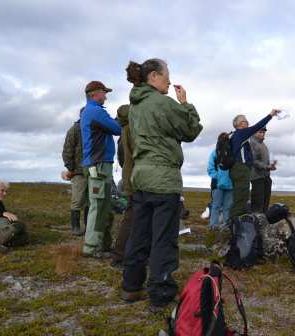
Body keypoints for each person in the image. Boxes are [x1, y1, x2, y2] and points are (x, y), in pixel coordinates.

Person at [120, 59, 202, 311]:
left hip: (141, 177)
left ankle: (131, 287)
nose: (169, 80)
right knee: (164, 240)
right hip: (164, 180)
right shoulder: (162, 103)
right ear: (154, 76)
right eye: (167, 76)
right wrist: (185, 103)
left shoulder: (135, 107)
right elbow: (191, 130)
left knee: (139, 234)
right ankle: (161, 294)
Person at [80, 81, 121, 258]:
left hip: (100, 165)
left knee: (102, 206)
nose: (106, 96)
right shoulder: (95, 111)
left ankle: (101, 245)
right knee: (98, 207)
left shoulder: (91, 111)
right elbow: (117, 128)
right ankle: (91, 248)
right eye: (104, 93)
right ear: (95, 93)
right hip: (99, 165)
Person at [229, 111, 279, 221]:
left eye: (247, 120)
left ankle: (236, 223)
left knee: (241, 198)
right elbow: (257, 126)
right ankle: (234, 225)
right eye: (244, 120)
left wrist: (267, 166)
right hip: (241, 170)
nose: (247, 122)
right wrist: (270, 115)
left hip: (240, 169)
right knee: (241, 199)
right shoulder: (241, 133)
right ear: (239, 124)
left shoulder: (237, 136)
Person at [110, 104, 136, 269]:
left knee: (133, 217)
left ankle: (123, 255)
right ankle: (119, 257)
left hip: (131, 177)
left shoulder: (124, 131)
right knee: (131, 217)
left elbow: (122, 159)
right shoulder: (132, 129)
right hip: (136, 180)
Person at [62, 108, 88, 236]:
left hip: (91, 171)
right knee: (77, 201)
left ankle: (88, 228)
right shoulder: (75, 130)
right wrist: (72, 169)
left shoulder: (93, 129)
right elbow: (67, 151)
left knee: (90, 201)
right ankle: (75, 228)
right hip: (78, 172)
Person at [207, 137, 233, 229]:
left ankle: (225, 226)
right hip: (218, 184)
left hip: (230, 185)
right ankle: (213, 225)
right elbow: (210, 169)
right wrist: (218, 177)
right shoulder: (215, 153)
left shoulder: (232, 154)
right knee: (216, 205)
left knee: (227, 207)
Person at [250, 127, 276, 213]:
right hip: (257, 177)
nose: (262, 134)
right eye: (260, 132)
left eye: (263, 132)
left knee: (265, 202)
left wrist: (271, 166)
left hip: (266, 176)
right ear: (254, 133)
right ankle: (256, 222)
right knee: (258, 202)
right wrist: (266, 167)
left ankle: (263, 221)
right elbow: (254, 161)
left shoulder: (263, 145)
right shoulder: (252, 144)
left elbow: (264, 161)